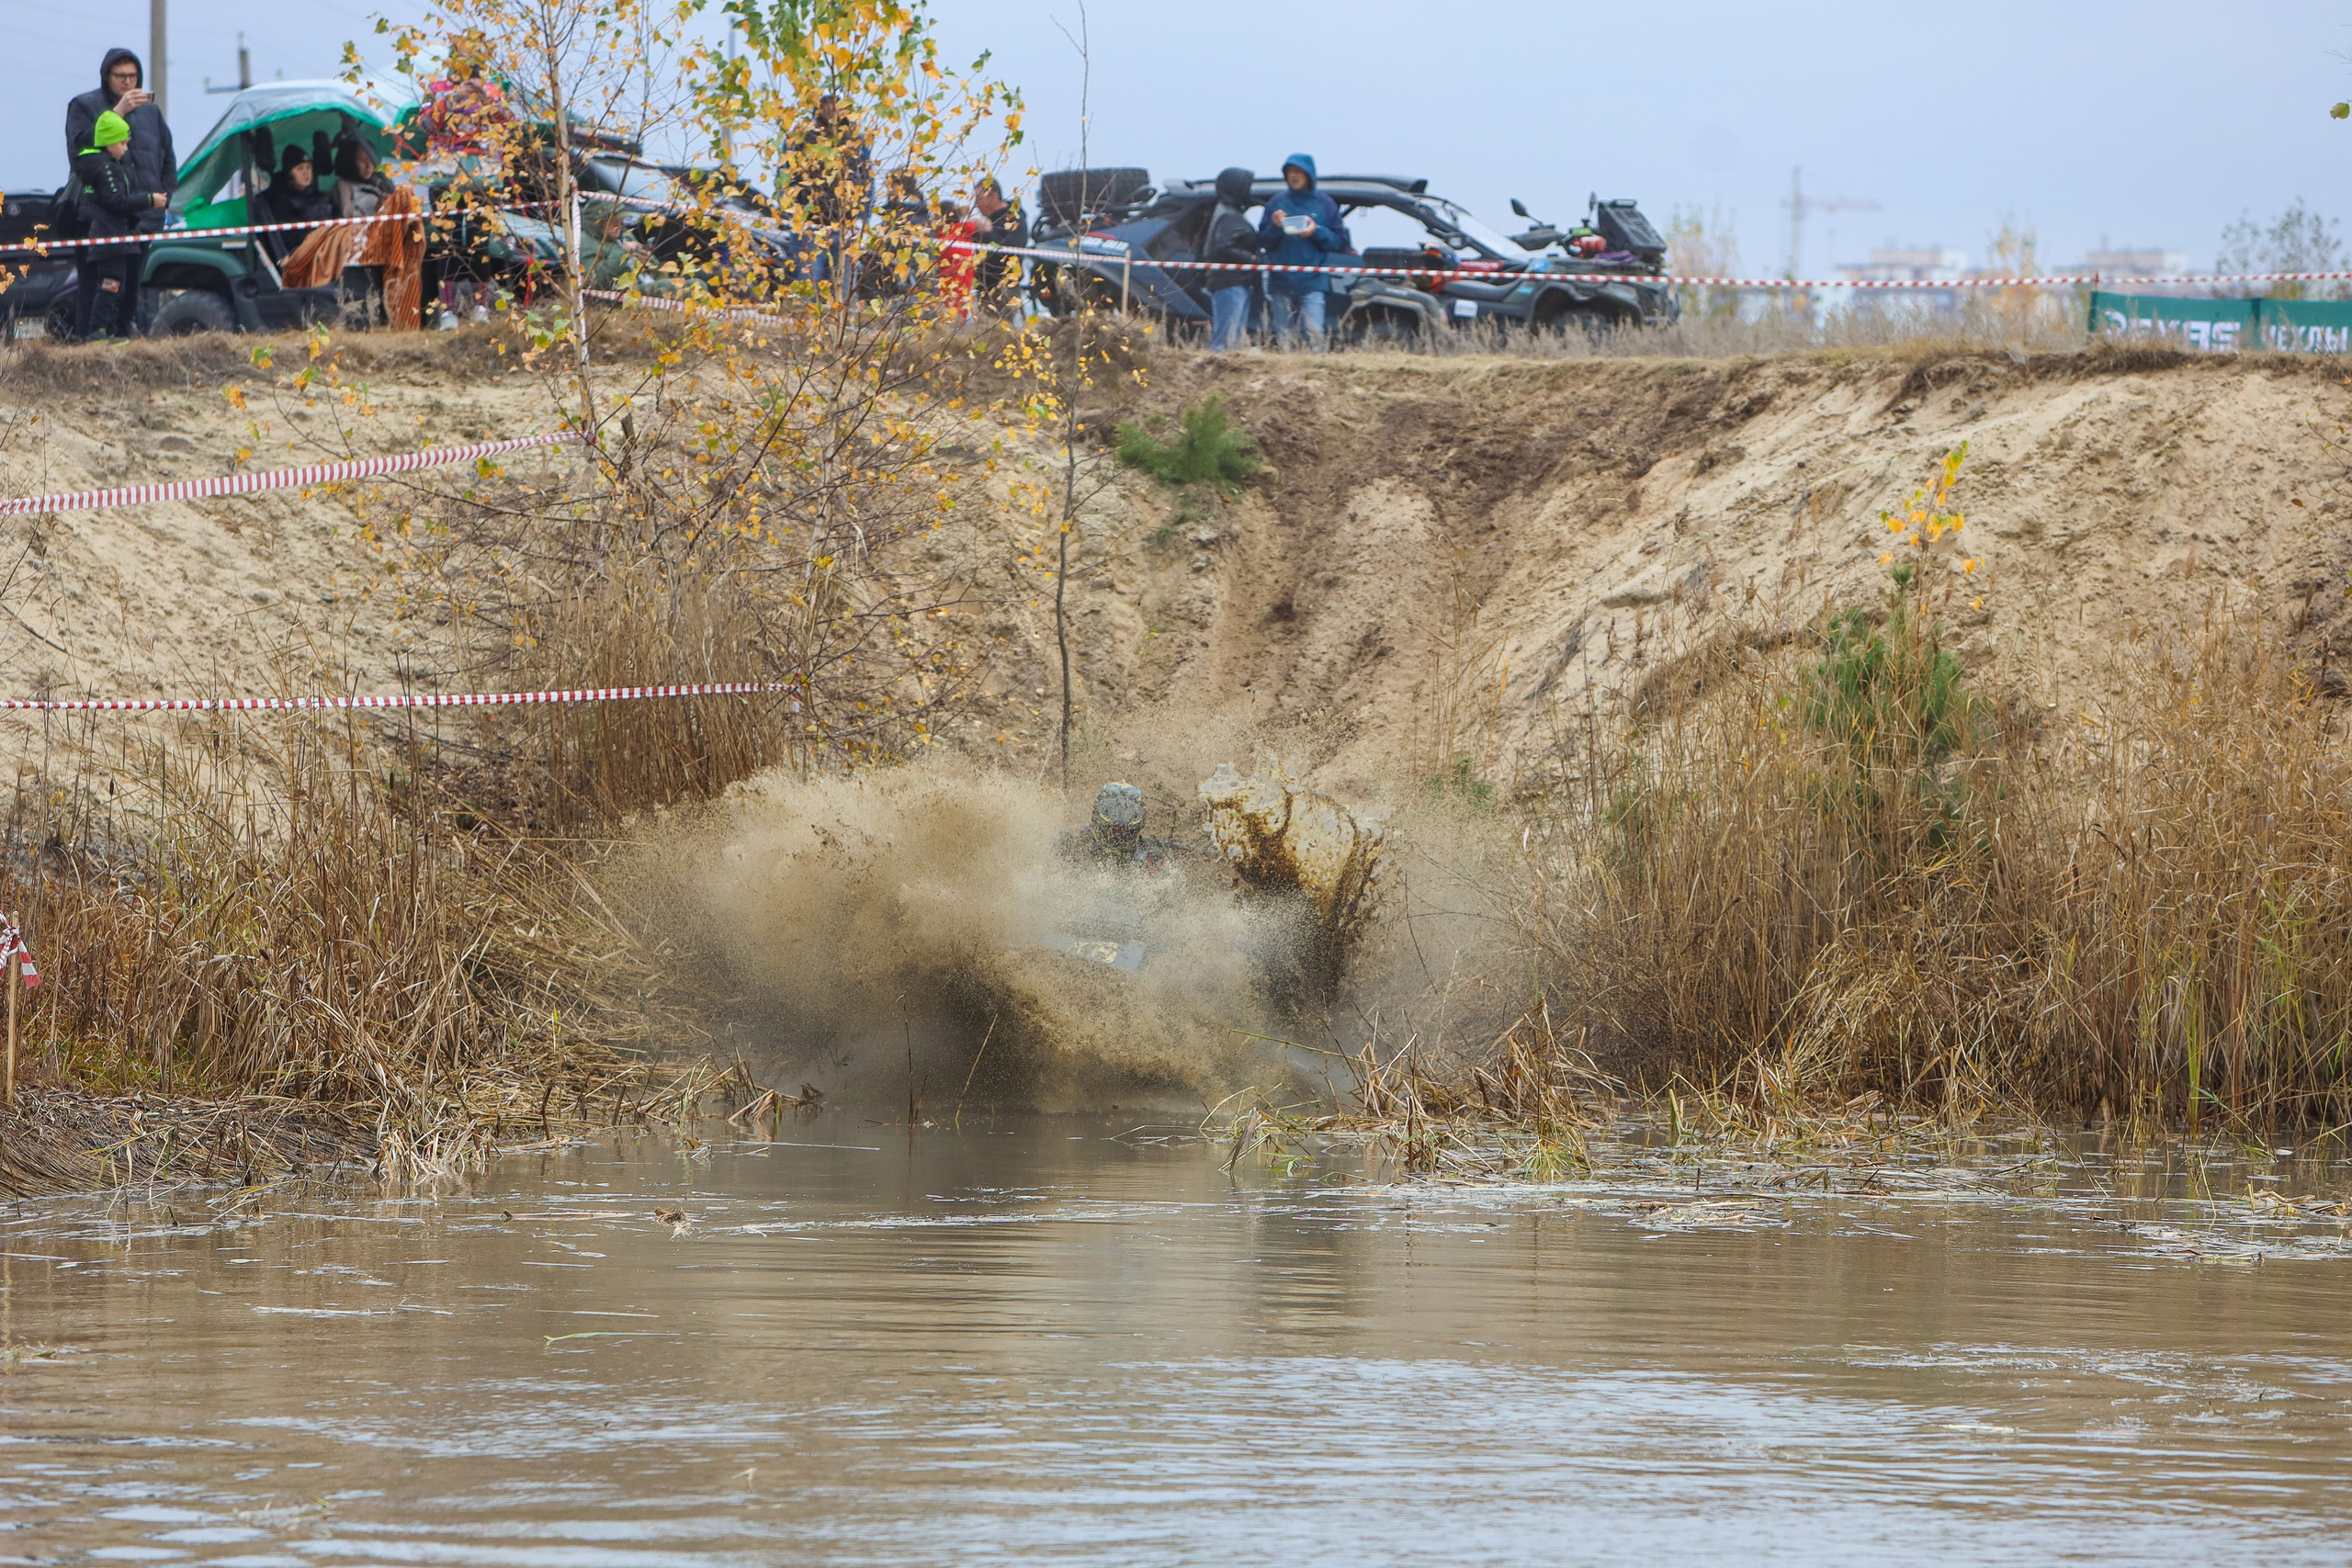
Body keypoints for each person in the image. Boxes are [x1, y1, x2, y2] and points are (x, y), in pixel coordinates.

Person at [64, 49, 175, 331]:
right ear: (106, 76)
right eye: (120, 76)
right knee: (97, 289)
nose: (127, 82)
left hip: (142, 216)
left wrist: (163, 197)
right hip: (100, 219)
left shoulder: (151, 111)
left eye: (133, 76)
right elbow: (80, 152)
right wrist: (117, 113)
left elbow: (168, 157)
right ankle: (90, 343)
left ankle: (123, 339)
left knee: (130, 290)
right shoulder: (84, 105)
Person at [69, 110, 164, 341]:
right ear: (110, 142)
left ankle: (109, 331)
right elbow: (116, 201)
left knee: (116, 286)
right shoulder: (107, 168)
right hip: (110, 237)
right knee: (111, 285)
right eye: (122, 143)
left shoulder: (106, 165)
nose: (126, 148)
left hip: (116, 235)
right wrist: (149, 200)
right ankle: (99, 331)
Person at [1255, 152, 1349, 350]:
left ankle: (1317, 377)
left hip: (1313, 282)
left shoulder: (1325, 204)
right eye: (1290, 172)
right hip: (1281, 282)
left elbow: (1340, 242)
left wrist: (1317, 232)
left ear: (1309, 175)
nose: (1294, 176)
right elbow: (1263, 241)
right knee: (1284, 338)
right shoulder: (1275, 203)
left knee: (1315, 336)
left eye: (1299, 171)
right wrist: (1275, 226)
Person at [1199, 166, 1262, 352]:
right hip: (1230, 281)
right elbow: (1220, 247)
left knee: (1232, 337)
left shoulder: (1226, 211)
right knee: (1225, 338)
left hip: (1234, 280)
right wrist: (1251, 258)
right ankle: (1213, 372)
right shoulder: (1228, 215)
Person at [1066, 783, 1177, 877]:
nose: (1119, 835)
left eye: (1126, 831)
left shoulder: (1152, 856)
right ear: (1100, 824)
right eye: (1113, 830)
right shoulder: (1071, 839)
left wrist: (1158, 875)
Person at [256, 146, 334, 261]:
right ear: (289, 173)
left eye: (308, 167)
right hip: (304, 256)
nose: (306, 173)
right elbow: (289, 239)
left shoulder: (319, 197)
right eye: (300, 168)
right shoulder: (280, 201)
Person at [971, 175, 1026, 310]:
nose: (975, 204)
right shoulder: (988, 219)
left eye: (979, 199)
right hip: (984, 288)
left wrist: (989, 232)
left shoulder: (1014, 218)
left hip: (1004, 288)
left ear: (993, 197)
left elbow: (1013, 249)